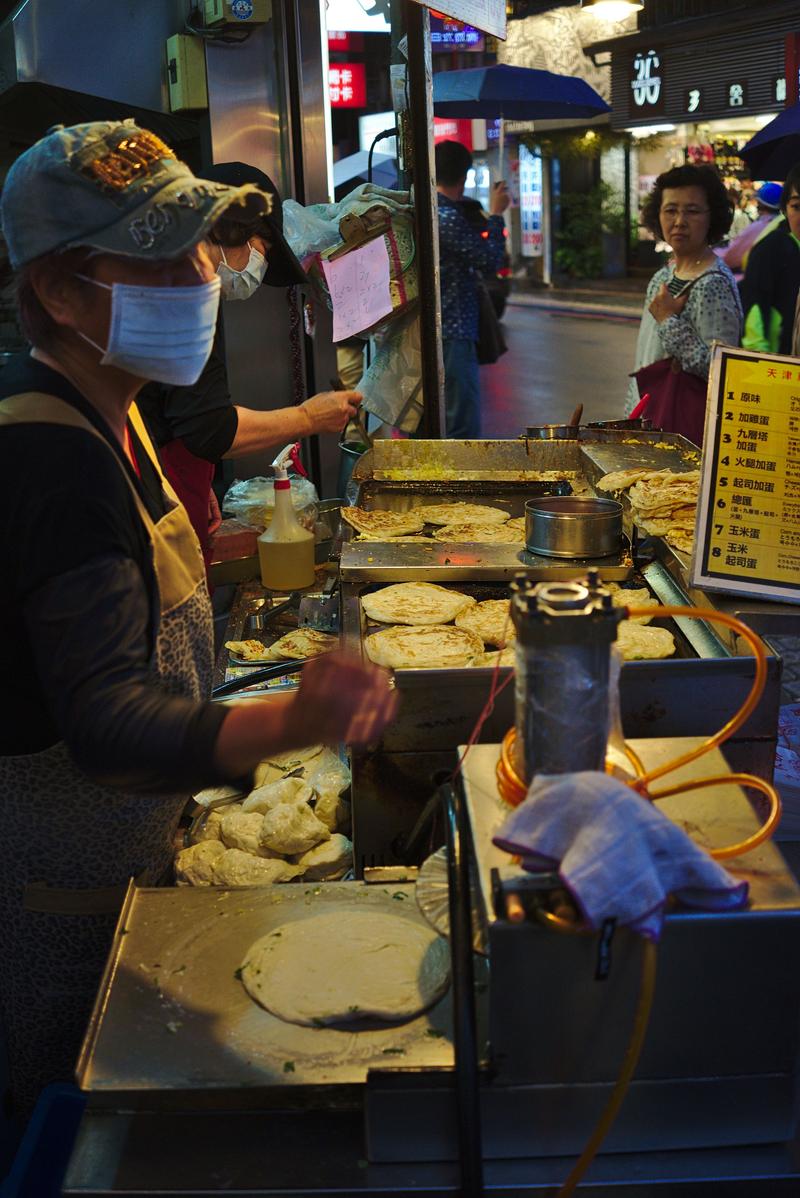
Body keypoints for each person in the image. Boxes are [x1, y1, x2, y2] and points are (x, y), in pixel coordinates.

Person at [0, 120, 397, 1119]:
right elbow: (107, 724)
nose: (201, 278)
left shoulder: (112, 405)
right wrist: (297, 722)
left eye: (198, 250)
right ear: (56, 289)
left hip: (125, 854)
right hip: (58, 891)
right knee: (77, 1117)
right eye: (158, 256)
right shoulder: (49, 449)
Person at [137, 161, 361, 565]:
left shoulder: (168, 283)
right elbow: (212, 430)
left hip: (158, 483)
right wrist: (309, 417)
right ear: (228, 227)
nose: (259, 264)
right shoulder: (180, 296)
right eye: (263, 248)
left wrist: (193, 477)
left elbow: (174, 412)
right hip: (142, 517)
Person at [625, 164, 742, 419]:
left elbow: (720, 370)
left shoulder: (713, 283)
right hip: (649, 420)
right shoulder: (663, 275)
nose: (679, 221)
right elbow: (644, 359)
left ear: (712, 216)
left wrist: (668, 321)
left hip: (684, 431)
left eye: (692, 211)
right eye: (670, 210)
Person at [435, 139, 509, 438]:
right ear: (463, 177)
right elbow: (489, 259)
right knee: (462, 426)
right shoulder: (447, 217)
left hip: (442, 331)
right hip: (455, 330)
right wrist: (497, 213)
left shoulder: (431, 212)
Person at [740, 165, 800, 356]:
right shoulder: (772, 247)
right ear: (784, 209)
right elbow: (755, 311)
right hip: (781, 369)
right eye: (797, 207)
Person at [718, 181, 782, 281]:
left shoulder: (761, 225)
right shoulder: (780, 223)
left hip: (751, 280)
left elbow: (730, 257)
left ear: (760, 203)